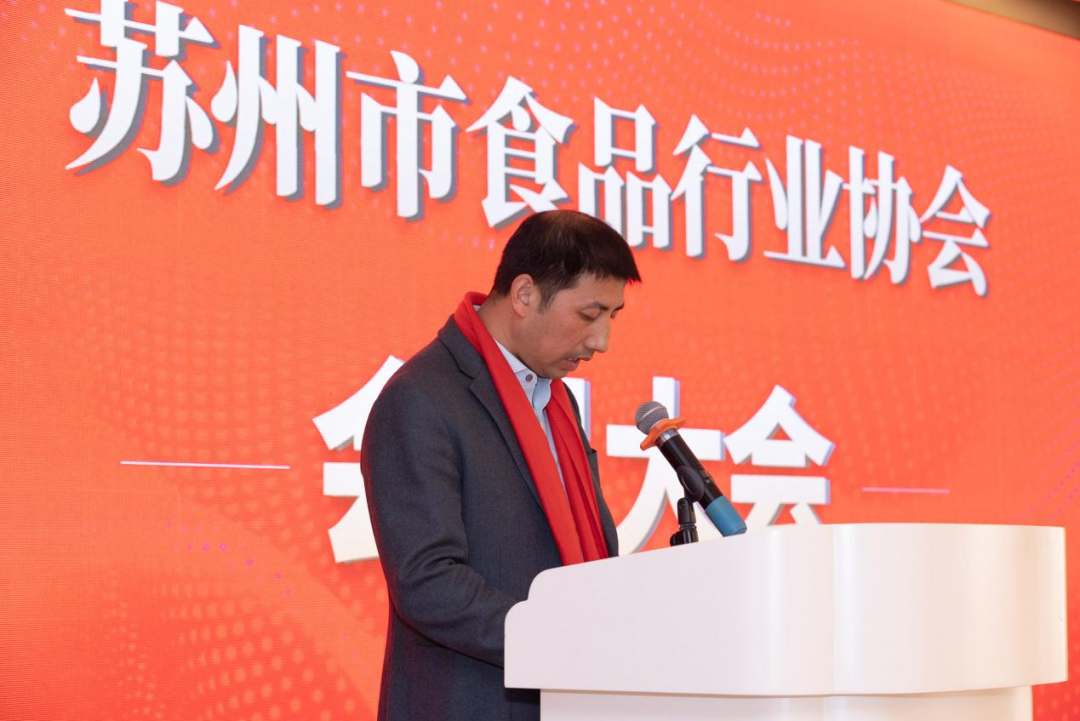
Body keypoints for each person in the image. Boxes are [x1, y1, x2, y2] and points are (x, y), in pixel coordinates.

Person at [360, 210, 642, 721]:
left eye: (613, 317)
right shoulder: (422, 398)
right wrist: (561, 643)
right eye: (589, 314)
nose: (601, 341)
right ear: (525, 294)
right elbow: (427, 582)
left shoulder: (557, 402)